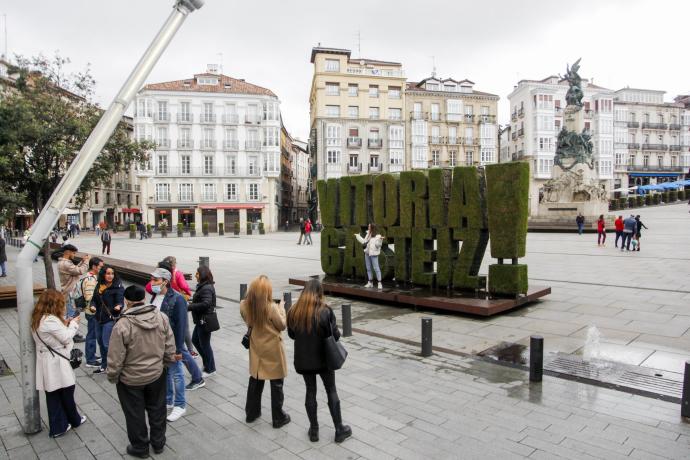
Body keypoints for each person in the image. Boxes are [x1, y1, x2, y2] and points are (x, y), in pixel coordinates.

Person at [107, 285, 177, 458]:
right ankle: (158, 443)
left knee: (134, 414)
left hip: (131, 380)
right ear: (144, 299)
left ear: (127, 301)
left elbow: (115, 357)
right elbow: (170, 346)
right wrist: (165, 364)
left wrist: (113, 376)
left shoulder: (122, 325)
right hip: (156, 374)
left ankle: (140, 448)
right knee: (157, 409)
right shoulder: (161, 317)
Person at [287, 279, 352, 443]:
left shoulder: (294, 311)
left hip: (304, 359)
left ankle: (314, 430)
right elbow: (335, 335)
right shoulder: (325, 311)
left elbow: (292, 335)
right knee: (331, 389)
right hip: (324, 359)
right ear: (319, 292)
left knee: (310, 390)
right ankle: (339, 429)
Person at [149, 267, 204, 424]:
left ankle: (180, 404)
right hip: (158, 342)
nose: (152, 283)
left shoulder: (177, 299)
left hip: (171, 343)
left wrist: (179, 350)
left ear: (165, 281)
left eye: (156, 280)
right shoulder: (155, 296)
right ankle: (168, 400)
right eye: (152, 279)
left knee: (177, 374)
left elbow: (181, 326)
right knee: (165, 372)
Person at [31, 289, 87, 438]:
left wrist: (65, 322)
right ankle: (73, 420)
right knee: (67, 391)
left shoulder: (39, 318)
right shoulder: (50, 320)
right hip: (56, 361)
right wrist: (74, 324)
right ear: (55, 304)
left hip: (48, 360)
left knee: (54, 394)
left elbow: (54, 334)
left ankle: (59, 426)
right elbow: (65, 337)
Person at [240, 275, 290, 428]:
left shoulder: (244, 305)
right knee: (276, 383)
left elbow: (247, 319)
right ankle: (278, 417)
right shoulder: (271, 308)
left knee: (256, 379)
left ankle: (251, 413)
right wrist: (282, 308)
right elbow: (282, 325)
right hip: (273, 350)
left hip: (257, 349)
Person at [91, 265, 124, 375]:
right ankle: (104, 365)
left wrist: (118, 306)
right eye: (108, 273)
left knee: (106, 344)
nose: (110, 276)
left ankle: (113, 366)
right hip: (98, 318)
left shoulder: (118, 287)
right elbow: (94, 299)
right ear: (103, 274)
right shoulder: (100, 285)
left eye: (112, 273)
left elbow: (120, 301)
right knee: (100, 342)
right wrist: (93, 306)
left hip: (109, 319)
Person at [188, 266, 217, 379]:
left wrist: (189, 307)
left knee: (205, 344)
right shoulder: (203, 286)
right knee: (195, 340)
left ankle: (210, 369)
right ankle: (207, 364)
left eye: (197, 273)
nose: (196, 275)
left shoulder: (207, 288)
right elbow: (201, 300)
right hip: (200, 320)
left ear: (203, 275)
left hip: (205, 321)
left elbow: (206, 303)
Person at [57, 244, 89, 343]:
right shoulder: (65, 264)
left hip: (68, 292)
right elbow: (80, 271)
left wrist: (82, 261)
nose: (74, 255)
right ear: (68, 252)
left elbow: (74, 270)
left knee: (70, 313)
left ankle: (71, 333)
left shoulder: (64, 263)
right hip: (69, 293)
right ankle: (72, 335)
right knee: (72, 314)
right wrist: (87, 262)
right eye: (74, 253)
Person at [77, 257, 104, 368]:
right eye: (100, 267)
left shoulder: (92, 277)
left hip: (91, 311)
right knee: (92, 335)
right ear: (94, 266)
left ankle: (92, 355)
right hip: (92, 312)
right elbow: (90, 297)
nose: (102, 269)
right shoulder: (90, 280)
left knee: (93, 334)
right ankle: (90, 360)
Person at [355, 223, 385, 289]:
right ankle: (370, 282)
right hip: (367, 253)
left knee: (376, 268)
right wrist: (358, 237)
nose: (368, 227)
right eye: (368, 226)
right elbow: (364, 242)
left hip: (373, 254)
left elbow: (378, 245)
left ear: (372, 227)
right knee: (368, 268)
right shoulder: (368, 234)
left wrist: (380, 240)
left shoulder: (377, 236)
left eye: (369, 226)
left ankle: (379, 283)